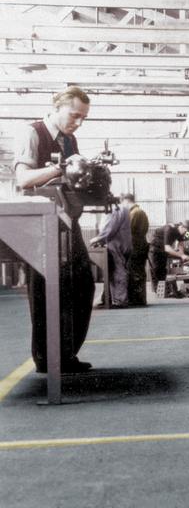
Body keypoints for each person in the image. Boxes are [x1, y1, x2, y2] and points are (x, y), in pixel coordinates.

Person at [12, 86, 96, 373]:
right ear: (57, 107)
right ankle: (46, 358)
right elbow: (23, 178)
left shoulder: (71, 141)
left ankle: (66, 354)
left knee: (82, 285)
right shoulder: (32, 133)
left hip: (67, 223)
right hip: (39, 224)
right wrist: (61, 169)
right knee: (46, 291)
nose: (79, 122)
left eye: (84, 117)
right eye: (75, 115)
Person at [88, 197, 133, 308]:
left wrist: (97, 239)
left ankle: (120, 300)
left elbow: (110, 228)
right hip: (122, 243)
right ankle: (110, 298)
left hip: (117, 244)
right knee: (114, 271)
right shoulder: (123, 209)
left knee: (118, 272)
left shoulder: (116, 209)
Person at [148, 220, 189, 294]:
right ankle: (157, 292)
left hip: (163, 249)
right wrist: (181, 255)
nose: (185, 234)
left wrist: (182, 254)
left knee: (163, 271)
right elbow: (167, 248)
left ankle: (163, 291)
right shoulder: (170, 229)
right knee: (156, 270)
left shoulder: (180, 231)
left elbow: (181, 244)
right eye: (185, 231)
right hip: (155, 249)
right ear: (182, 227)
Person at [123, 193, 149, 306]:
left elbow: (128, 230)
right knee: (138, 272)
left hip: (135, 246)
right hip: (140, 245)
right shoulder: (140, 212)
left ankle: (137, 300)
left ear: (125, 201)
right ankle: (139, 299)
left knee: (135, 273)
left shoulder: (135, 212)